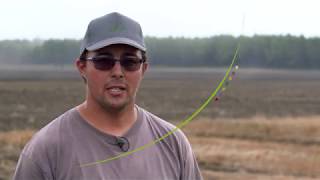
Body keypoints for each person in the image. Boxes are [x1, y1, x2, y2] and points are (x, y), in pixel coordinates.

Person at [13, 12, 203, 180]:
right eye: (104, 61)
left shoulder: (173, 143)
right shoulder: (46, 150)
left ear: (143, 69)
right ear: (82, 67)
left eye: (130, 62)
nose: (118, 72)